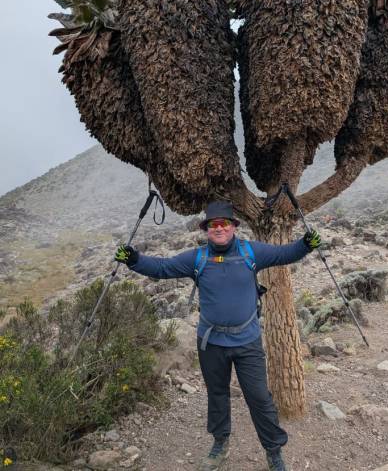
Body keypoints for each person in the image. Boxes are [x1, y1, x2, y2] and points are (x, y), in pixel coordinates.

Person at [115, 199, 321, 471]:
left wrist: (305, 244)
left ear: (233, 227)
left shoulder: (251, 252)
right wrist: (134, 260)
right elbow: (163, 268)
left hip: (247, 341)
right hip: (211, 342)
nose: (219, 228)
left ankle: (273, 451)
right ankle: (220, 443)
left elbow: (284, 254)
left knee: (259, 397)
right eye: (214, 225)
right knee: (217, 395)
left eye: (224, 223)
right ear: (207, 229)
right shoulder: (197, 258)